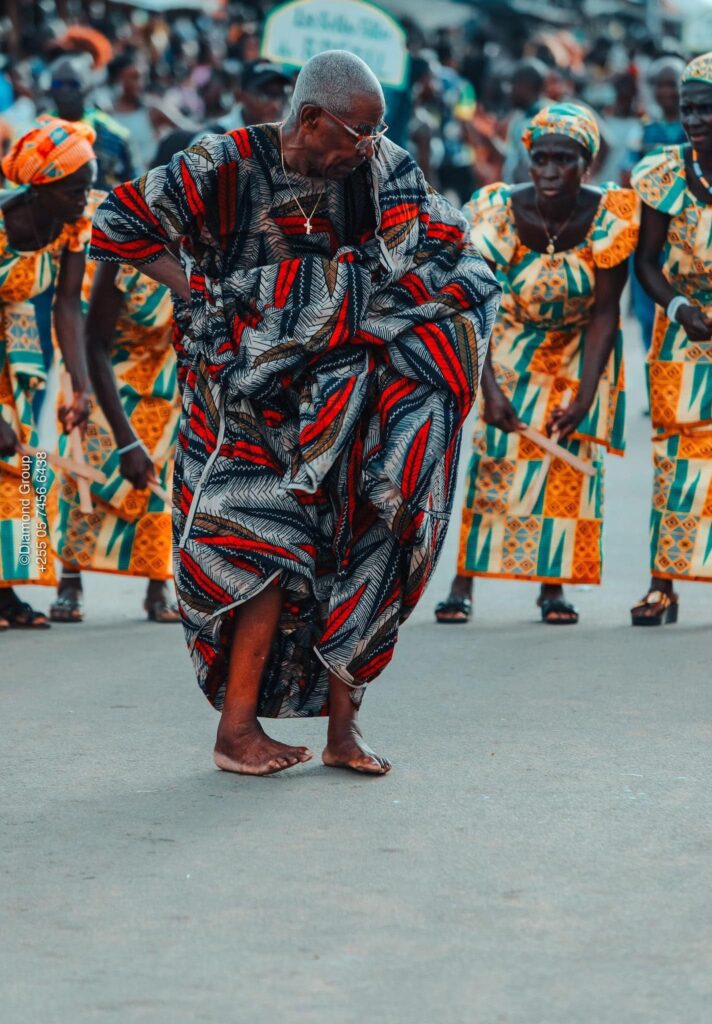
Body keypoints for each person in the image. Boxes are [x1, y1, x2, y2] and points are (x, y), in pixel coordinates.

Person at [91, 50, 500, 775]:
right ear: (311, 118)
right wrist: (200, 291)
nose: (367, 150)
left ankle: (344, 732)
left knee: (367, 543)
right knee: (262, 543)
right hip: (241, 399)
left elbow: (442, 250)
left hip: (344, 396)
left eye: (377, 135)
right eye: (357, 134)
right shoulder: (223, 162)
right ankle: (236, 732)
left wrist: (347, 308)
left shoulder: (374, 170)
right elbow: (120, 223)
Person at [436, 103, 639, 625]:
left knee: (565, 467)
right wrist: (491, 391)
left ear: (586, 165)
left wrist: (587, 394)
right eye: (540, 158)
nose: (549, 171)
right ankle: (464, 582)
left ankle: (552, 587)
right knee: (493, 460)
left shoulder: (611, 215)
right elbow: (473, 304)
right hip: (509, 342)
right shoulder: (497, 210)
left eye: (564, 160)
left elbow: (604, 313)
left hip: (577, 345)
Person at [49, 255, 180, 624]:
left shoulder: (199, 256)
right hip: (103, 369)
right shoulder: (123, 259)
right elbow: (93, 340)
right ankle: (70, 580)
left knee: (157, 473)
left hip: (161, 378)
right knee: (84, 469)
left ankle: (158, 583)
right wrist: (84, 392)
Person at [0, 116, 95, 629]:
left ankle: (12, 591)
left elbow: (67, 306)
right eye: (77, 188)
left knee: (33, 471)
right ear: (42, 186)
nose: (86, 198)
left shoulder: (71, 227)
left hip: (30, 359)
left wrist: (79, 387)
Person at [630, 53, 712, 625]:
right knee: (675, 461)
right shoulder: (663, 173)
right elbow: (647, 263)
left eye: (707, 107)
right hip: (682, 336)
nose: (695, 118)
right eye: (688, 107)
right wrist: (680, 307)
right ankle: (663, 585)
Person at [627, 57, 686, 355]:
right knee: (649, 315)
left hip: (688, 237)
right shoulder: (643, 132)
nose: (667, 91)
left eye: (672, 83)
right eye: (660, 84)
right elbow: (628, 178)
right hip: (649, 236)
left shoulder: (697, 127)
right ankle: (655, 389)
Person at [48, 55, 137, 191]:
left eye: (73, 84)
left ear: (87, 87)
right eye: (58, 84)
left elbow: (136, 186)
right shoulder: (37, 133)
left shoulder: (114, 135)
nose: (65, 91)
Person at [106, 52, 157, 173]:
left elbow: (185, 132)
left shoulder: (152, 110)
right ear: (118, 79)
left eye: (143, 77)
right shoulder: (106, 113)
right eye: (134, 77)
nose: (140, 83)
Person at [501, 59, 546, 184]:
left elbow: (534, 171)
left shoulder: (541, 121)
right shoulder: (519, 119)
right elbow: (514, 159)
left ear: (526, 86)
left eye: (513, 84)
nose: (509, 90)